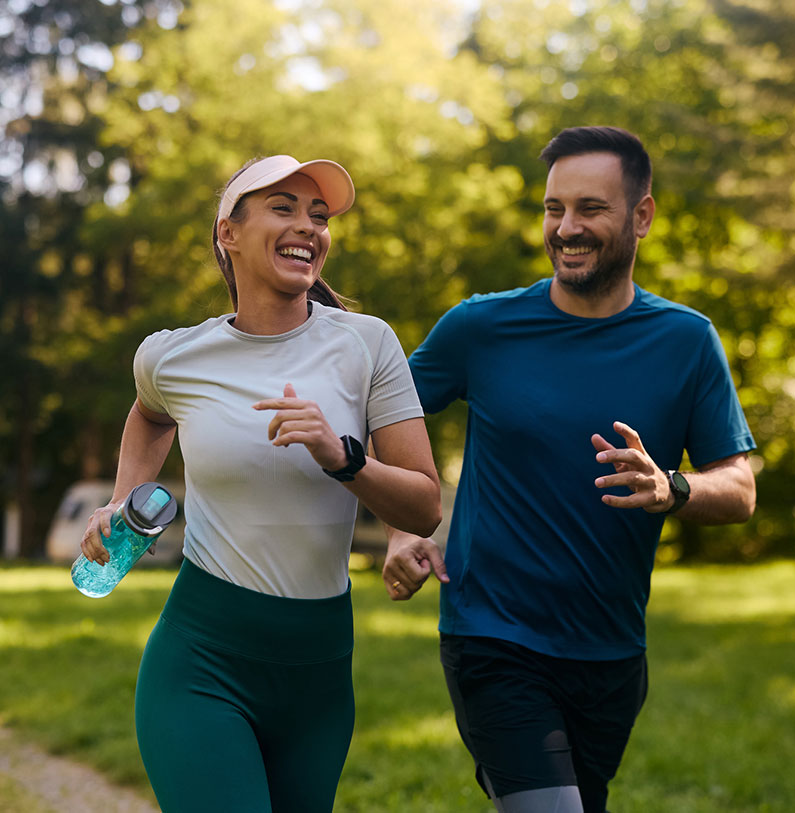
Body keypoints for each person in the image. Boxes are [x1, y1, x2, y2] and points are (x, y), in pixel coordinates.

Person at [382, 126, 756, 813]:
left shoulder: (685, 340)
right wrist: (403, 527)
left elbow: (737, 488)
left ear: (640, 215)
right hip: (493, 637)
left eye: (589, 209)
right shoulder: (480, 328)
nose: (566, 228)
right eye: (554, 209)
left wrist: (669, 487)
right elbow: (383, 418)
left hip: (610, 651)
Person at [80, 153, 441, 813]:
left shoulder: (367, 345)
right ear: (229, 233)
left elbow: (422, 504)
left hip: (318, 675)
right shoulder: (173, 355)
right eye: (284, 207)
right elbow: (149, 412)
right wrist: (120, 496)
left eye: (319, 215)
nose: (309, 226)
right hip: (202, 661)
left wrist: (343, 457)